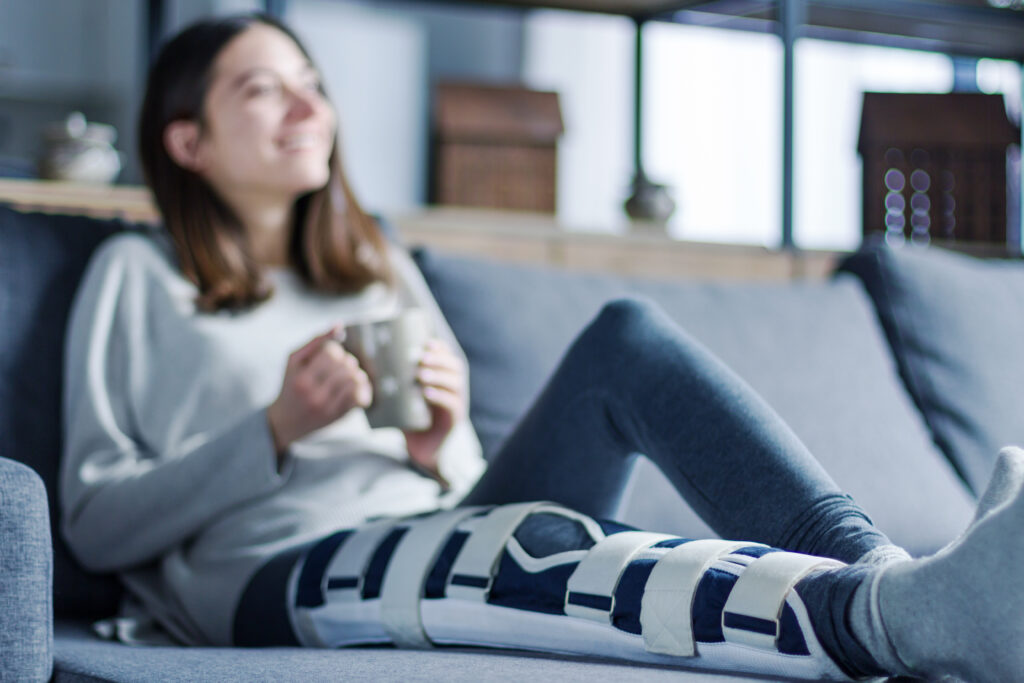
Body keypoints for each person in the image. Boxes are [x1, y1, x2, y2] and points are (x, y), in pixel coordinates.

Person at [59, 12, 1024, 682]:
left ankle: (888, 569)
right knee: (536, 548)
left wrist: (444, 442)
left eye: (313, 84)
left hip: (435, 526)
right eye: (266, 92)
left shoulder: (373, 267)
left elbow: (457, 483)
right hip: (279, 570)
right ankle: (899, 617)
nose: (311, 108)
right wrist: (274, 429)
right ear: (187, 142)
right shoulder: (138, 278)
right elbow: (96, 521)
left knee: (626, 339)